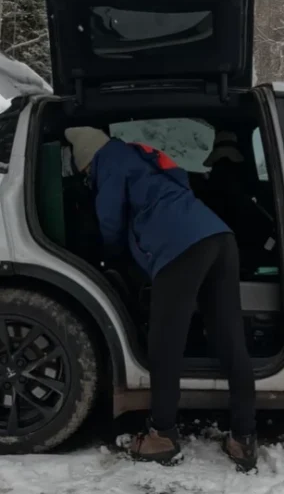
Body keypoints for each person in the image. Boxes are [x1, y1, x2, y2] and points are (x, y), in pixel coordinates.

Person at [64, 126, 258, 470]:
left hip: (179, 248)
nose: (85, 177)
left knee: (165, 343)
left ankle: (162, 435)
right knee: (228, 337)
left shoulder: (110, 160)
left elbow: (109, 219)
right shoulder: (142, 155)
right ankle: (243, 437)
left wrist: (110, 256)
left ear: (87, 161)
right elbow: (180, 183)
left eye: (83, 173)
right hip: (218, 236)